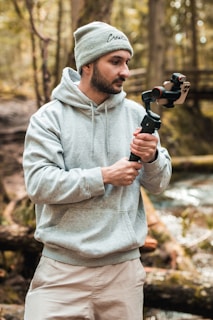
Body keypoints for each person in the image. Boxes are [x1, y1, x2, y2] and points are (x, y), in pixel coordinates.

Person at [23, 21, 172, 320]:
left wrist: (153, 157)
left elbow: (160, 184)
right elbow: (38, 185)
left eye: (126, 62)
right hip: (61, 273)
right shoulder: (49, 118)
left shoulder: (137, 115)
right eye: (115, 62)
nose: (125, 72)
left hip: (123, 275)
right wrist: (103, 176)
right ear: (88, 64)